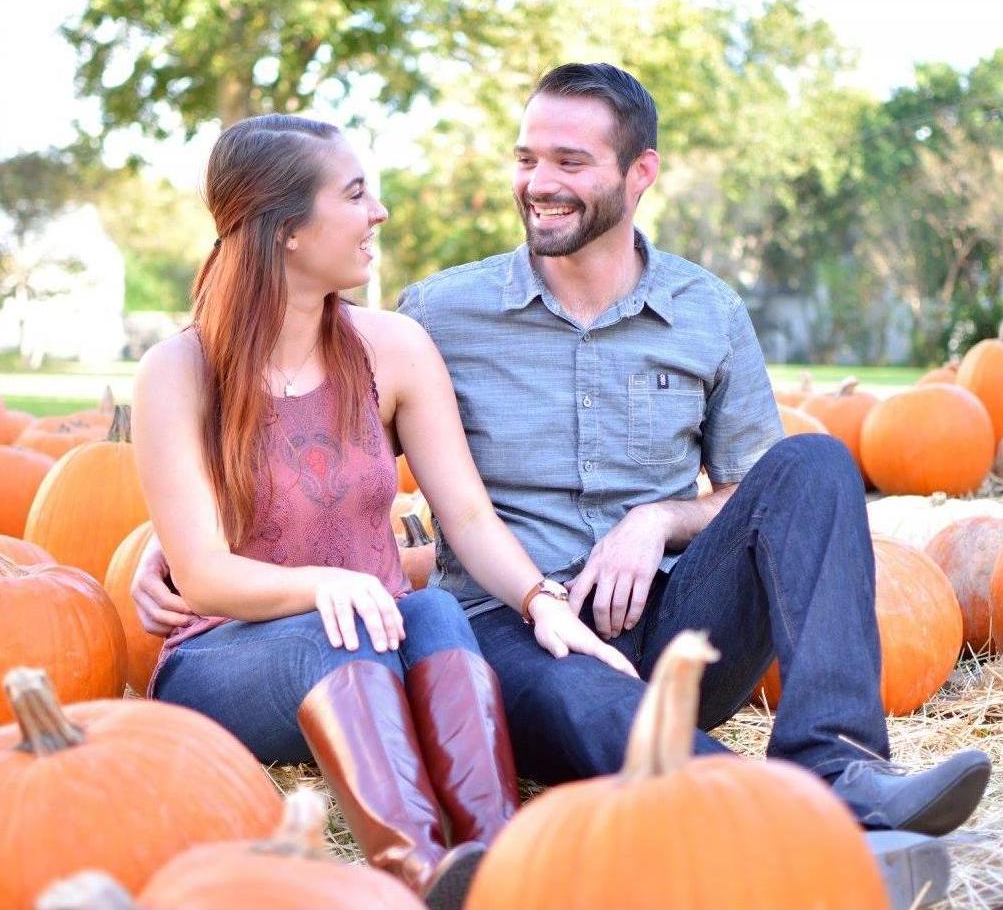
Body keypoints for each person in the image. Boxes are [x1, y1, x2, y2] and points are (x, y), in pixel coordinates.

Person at [136, 67, 990, 841]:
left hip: (669, 614)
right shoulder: (436, 314)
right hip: (513, 631)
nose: (539, 183)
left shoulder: (706, 310)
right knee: (576, 688)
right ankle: (766, 820)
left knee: (814, 466)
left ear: (638, 173)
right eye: (526, 159)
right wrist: (164, 544)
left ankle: (835, 766)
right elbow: (297, 441)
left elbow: (744, 494)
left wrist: (656, 520)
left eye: (570, 162)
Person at [130, 113, 635, 909]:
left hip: (376, 642)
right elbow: (200, 573)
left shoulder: (391, 347)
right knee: (352, 626)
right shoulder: (180, 369)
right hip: (226, 663)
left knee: (432, 609)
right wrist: (325, 586)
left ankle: (495, 856)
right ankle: (416, 872)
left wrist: (543, 601)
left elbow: (465, 516)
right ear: (286, 228)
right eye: (356, 194)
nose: (379, 215)